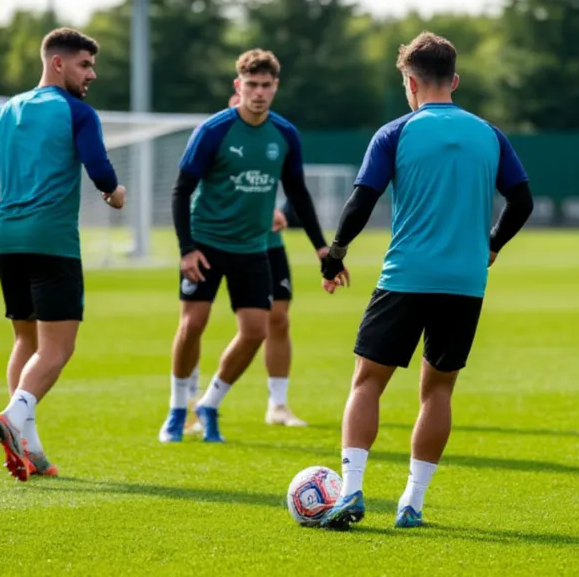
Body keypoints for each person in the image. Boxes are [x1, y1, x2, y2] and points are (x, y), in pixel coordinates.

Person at [315, 31, 535, 530]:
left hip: (406, 276)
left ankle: (350, 493)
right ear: (454, 80)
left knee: (368, 382)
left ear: (409, 83)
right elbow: (522, 202)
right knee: (437, 391)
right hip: (464, 282)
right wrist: (492, 245)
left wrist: (336, 255)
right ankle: (411, 504)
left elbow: (361, 202)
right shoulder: (488, 134)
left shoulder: (396, 133)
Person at [0, 27, 124, 481]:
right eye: (84, 64)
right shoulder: (77, 112)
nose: (92, 74)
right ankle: (13, 414)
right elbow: (100, 169)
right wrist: (115, 192)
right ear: (57, 63)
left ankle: (30, 446)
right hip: (52, 242)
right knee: (58, 349)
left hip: (7, 240)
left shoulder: (3, 111)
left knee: (25, 343)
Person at [159, 49, 329, 444]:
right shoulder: (214, 130)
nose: (258, 93)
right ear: (238, 86)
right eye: (251, 85)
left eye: (265, 86)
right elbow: (182, 189)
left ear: (275, 88)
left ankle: (210, 403)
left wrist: (321, 247)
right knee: (193, 325)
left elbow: (298, 192)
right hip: (206, 243)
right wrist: (187, 248)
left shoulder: (285, 134)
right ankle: (176, 410)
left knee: (256, 331)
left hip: (253, 248)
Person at [183, 98, 307, 433]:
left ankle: (277, 404)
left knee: (278, 320)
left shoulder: (278, 133)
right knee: (194, 323)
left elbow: (288, 181)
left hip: (267, 246)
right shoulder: (219, 133)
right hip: (221, 242)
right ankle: (189, 402)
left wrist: (279, 209)